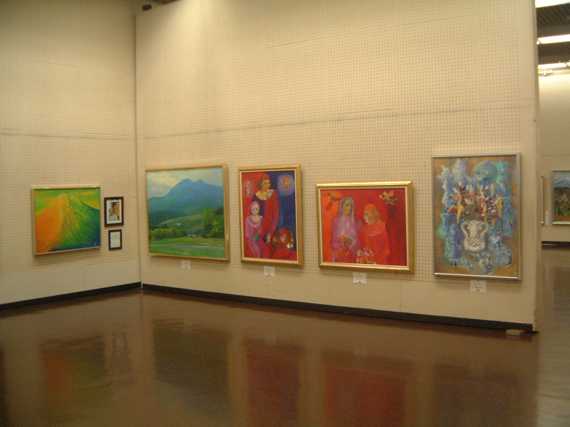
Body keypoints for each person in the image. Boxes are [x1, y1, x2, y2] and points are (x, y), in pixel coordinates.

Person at [253, 174, 280, 258]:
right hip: (259, 227)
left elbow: (275, 214)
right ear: (260, 184)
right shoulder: (256, 196)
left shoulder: (272, 194)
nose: (267, 185)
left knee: (270, 252)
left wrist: (270, 232)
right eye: (265, 183)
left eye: (268, 183)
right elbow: (253, 212)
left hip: (271, 226)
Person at [331, 197, 359, 263]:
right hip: (339, 254)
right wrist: (341, 242)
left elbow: (358, 242)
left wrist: (351, 242)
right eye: (347, 205)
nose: (349, 208)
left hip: (351, 255)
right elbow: (333, 241)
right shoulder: (336, 221)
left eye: (351, 206)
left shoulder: (356, 222)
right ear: (342, 206)